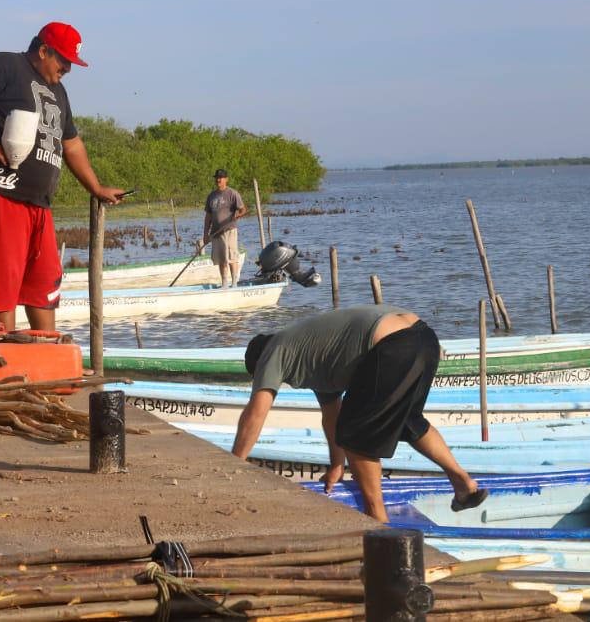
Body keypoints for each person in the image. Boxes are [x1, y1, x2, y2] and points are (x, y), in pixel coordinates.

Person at [232, 304, 487, 522]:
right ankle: (463, 484)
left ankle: (377, 517)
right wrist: (336, 466)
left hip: (393, 344)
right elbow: (332, 416)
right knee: (408, 421)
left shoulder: (272, 351)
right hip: (425, 338)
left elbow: (256, 413)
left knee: (355, 435)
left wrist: (232, 465)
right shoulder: (310, 358)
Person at [0, 21, 123, 332]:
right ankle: (7, 364)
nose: (68, 68)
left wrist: (95, 186)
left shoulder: (59, 91)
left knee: (43, 285)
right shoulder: (7, 65)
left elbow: (71, 143)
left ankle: (44, 358)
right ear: (44, 50)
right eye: (64, 60)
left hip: (37, 203)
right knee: (1, 284)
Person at [202, 168, 247, 287]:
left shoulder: (232, 193)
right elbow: (208, 216)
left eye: (221, 178)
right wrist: (205, 234)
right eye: (217, 178)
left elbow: (243, 209)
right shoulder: (211, 196)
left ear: (226, 179)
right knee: (221, 260)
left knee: (232, 257)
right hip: (216, 232)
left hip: (229, 230)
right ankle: (224, 284)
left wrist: (238, 215)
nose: (218, 180)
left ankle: (234, 283)